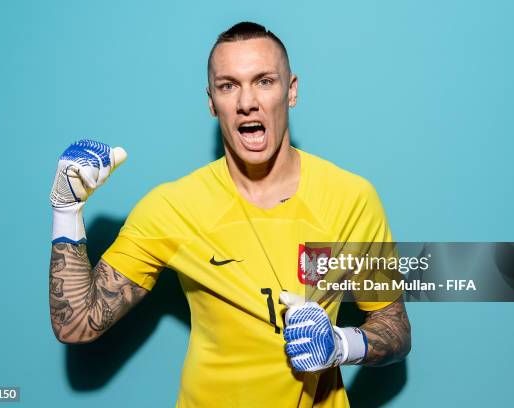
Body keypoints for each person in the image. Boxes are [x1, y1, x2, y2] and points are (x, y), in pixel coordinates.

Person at [49, 22, 411, 407]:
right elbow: (77, 324)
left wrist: (342, 345)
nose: (246, 102)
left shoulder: (350, 198)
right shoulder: (172, 207)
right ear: (212, 102)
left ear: (291, 91)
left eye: (264, 81)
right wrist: (66, 209)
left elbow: (396, 328)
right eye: (228, 85)